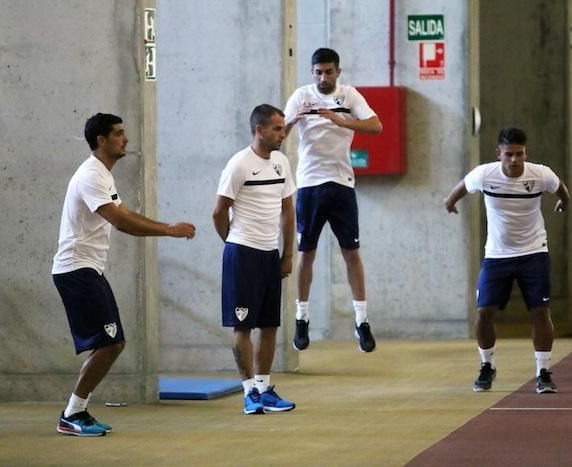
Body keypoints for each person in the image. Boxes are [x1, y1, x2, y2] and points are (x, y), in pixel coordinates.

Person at [53, 113, 196, 436]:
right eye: (118, 134)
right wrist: (169, 230)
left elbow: (125, 213)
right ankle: (72, 414)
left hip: (87, 269)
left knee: (112, 342)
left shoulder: (103, 175)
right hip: (76, 269)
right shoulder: (90, 175)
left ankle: (76, 411)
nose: (125, 139)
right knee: (109, 343)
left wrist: (166, 227)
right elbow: (121, 222)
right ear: (101, 140)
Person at [444, 128, 569, 394]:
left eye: (519, 154)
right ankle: (487, 366)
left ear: (526, 153)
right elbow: (461, 188)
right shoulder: (485, 174)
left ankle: (543, 372)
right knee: (483, 312)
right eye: (508, 154)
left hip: (534, 252)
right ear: (498, 153)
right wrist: (450, 202)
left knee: (540, 312)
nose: (514, 160)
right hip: (497, 255)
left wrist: (563, 203)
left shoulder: (540, 174)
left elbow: (561, 190)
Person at [284, 48, 383, 353]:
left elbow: (376, 126)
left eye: (328, 72)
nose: (323, 77)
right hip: (310, 185)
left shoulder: (349, 96)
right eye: (318, 72)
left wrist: (342, 121)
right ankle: (301, 318)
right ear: (311, 72)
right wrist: (292, 121)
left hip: (341, 183)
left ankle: (361, 321)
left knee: (351, 253)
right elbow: (278, 134)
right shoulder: (301, 96)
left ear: (338, 71)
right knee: (306, 252)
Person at [213, 104, 297, 414]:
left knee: (270, 325)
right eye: (277, 128)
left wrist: (287, 254)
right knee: (243, 326)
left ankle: (264, 387)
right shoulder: (239, 165)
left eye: (283, 127)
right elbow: (218, 211)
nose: (283, 133)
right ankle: (249, 391)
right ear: (260, 130)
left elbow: (289, 210)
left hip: (269, 254)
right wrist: (233, 243)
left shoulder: (281, 163)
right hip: (242, 254)